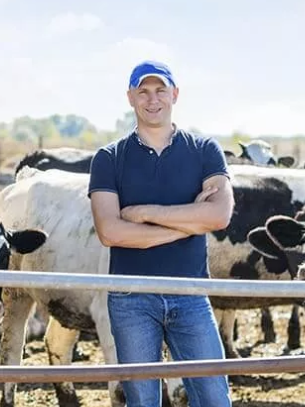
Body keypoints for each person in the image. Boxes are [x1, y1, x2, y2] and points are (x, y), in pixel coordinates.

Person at [88, 60, 235, 406]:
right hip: (131, 297)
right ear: (130, 98)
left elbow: (219, 215)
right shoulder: (108, 158)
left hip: (190, 293)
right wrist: (187, 224)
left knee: (214, 397)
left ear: (175, 94)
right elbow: (110, 231)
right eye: (143, 92)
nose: (153, 100)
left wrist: (146, 214)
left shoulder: (204, 151)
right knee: (142, 401)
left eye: (160, 90)